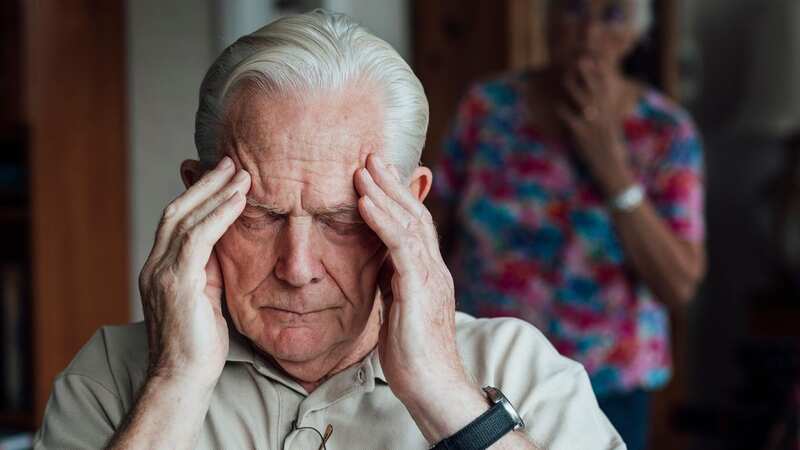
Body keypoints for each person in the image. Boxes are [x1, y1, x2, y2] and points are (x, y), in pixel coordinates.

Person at [33, 10, 624, 450]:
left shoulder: (521, 368)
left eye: (341, 220)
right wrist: (174, 383)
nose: (297, 268)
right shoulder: (113, 374)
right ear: (197, 198)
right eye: (259, 215)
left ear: (411, 209)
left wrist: (444, 393)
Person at [433, 1, 705, 449]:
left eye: (612, 15)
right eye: (574, 8)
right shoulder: (488, 107)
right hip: (483, 367)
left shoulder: (665, 132)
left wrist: (611, 166)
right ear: (548, 19)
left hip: (609, 384)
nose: (587, 30)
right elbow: (436, 223)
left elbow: (679, 284)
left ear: (638, 34)